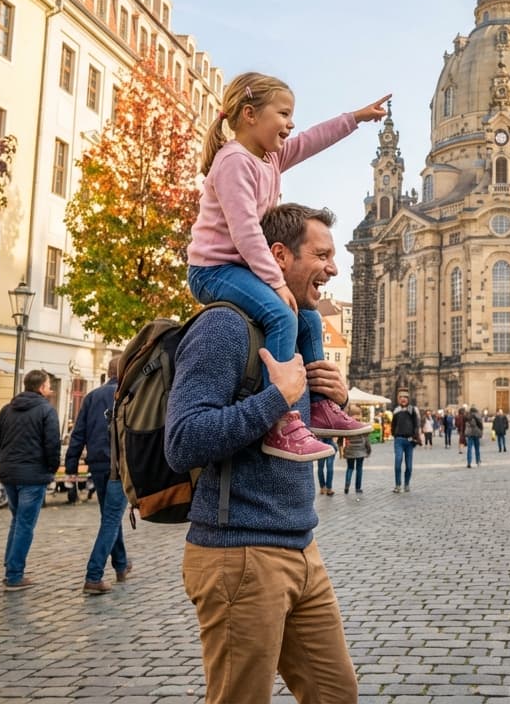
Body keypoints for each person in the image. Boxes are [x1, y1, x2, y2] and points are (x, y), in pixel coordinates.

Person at [166, 202, 357, 704]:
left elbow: (294, 435)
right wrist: (276, 397)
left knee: (337, 694)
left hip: (300, 545)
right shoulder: (224, 327)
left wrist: (333, 400)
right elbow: (182, 441)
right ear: (279, 256)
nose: (334, 269)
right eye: (321, 255)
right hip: (239, 553)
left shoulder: (298, 333)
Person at [187, 72, 385, 462]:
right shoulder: (233, 162)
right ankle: (281, 420)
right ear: (249, 115)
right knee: (282, 314)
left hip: (241, 267)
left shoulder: (271, 158)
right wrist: (277, 284)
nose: (291, 123)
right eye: (283, 114)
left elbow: (312, 140)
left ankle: (320, 405)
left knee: (308, 317)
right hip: (213, 269)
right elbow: (246, 232)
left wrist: (355, 118)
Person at [0, 370, 61, 591]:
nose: (50, 389)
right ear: (41, 387)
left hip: (9, 473)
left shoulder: (7, 409)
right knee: (25, 524)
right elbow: (52, 444)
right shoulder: (46, 410)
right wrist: (52, 468)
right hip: (33, 474)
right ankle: (14, 575)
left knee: (17, 520)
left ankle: (10, 564)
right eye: (48, 385)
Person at [66, 359, 131, 595]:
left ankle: (121, 564)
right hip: (119, 466)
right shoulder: (129, 395)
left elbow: (78, 432)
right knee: (111, 518)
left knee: (110, 516)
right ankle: (93, 575)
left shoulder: (92, 397)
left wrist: (71, 463)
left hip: (98, 464)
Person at [389, 393, 420, 492]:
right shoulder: (396, 410)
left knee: (409, 466)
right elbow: (393, 425)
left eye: (405, 397)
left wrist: (415, 437)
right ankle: (398, 485)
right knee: (398, 462)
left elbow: (416, 424)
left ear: (408, 399)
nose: (403, 399)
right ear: (399, 399)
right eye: (401, 397)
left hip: (409, 441)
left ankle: (406, 484)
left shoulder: (412, 410)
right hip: (399, 440)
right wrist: (395, 434)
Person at [342, 430, 371, 496]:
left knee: (350, 468)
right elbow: (367, 441)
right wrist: (368, 451)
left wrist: (344, 451)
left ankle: (347, 486)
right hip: (360, 452)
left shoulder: (349, 429)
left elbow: (344, 440)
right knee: (359, 469)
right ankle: (358, 488)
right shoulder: (362, 430)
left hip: (350, 451)